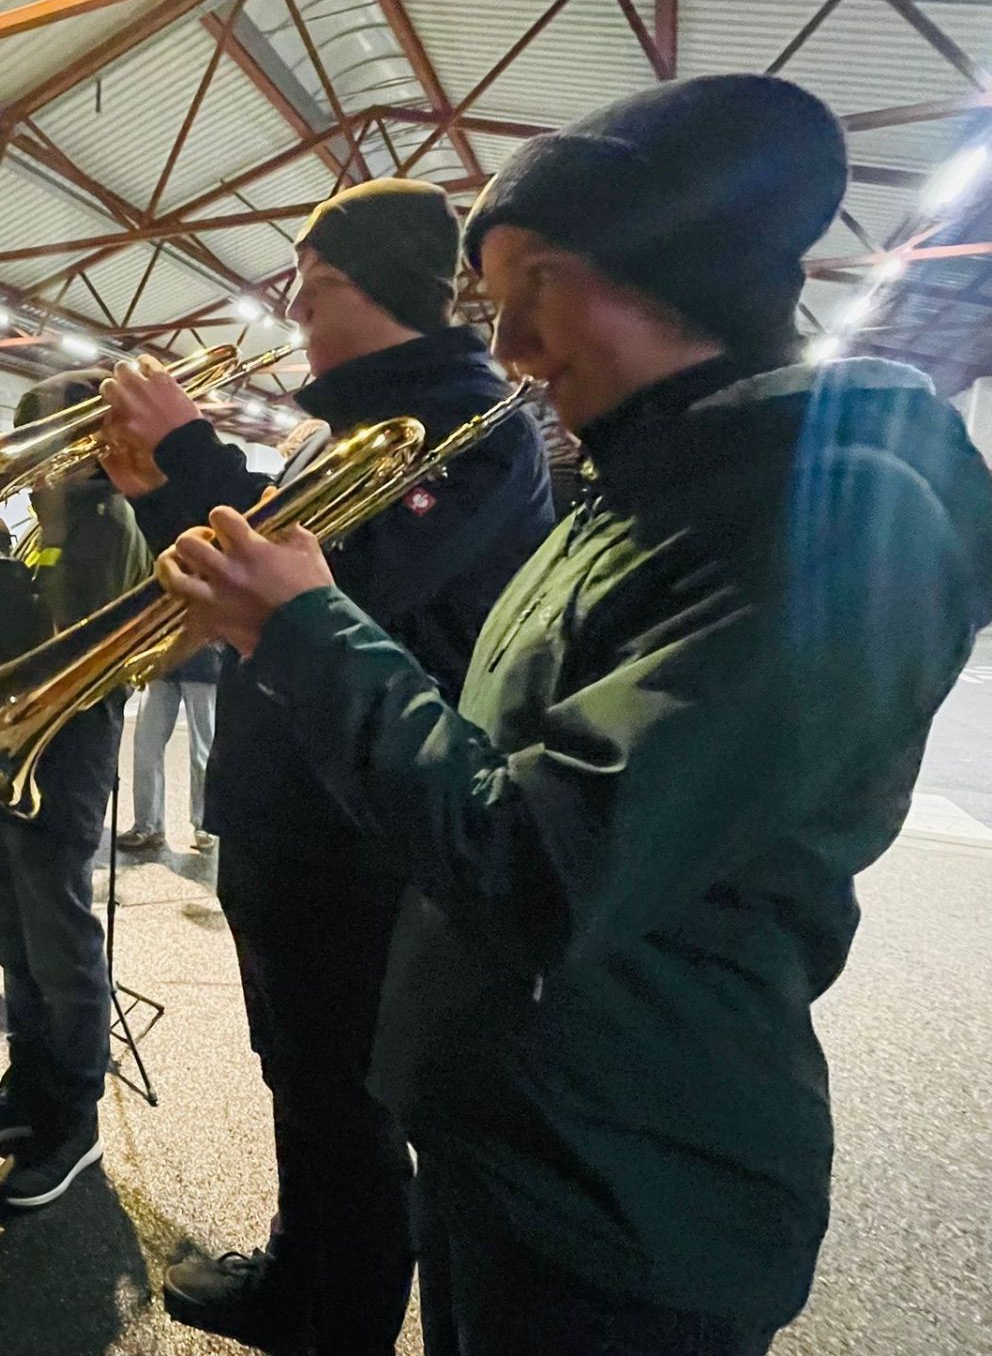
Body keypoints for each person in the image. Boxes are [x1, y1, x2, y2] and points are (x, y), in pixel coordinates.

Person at [154, 74, 992, 1356]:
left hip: (627, 1188)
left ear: (664, 265)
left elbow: (543, 865)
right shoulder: (636, 490)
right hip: (516, 1131)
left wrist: (306, 633)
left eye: (530, 289)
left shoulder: (827, 532)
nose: (509, 347)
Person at [100, 177, 553, 1353]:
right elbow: (232, 582)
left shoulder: (472, 425)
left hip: (360, 824)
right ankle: (302, 1275)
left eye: (313, 287)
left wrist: (189, 449)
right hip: (289, 800)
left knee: (348, 1094)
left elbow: (346, 589)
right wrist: (159, 495)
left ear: (379, 285)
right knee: (298, 1074)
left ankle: (339, 1319)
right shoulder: (336, 431)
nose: (294, 311)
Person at [0, 368, 151, 1210]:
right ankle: (29, 1088)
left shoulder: (108, 521)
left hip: (60, 762)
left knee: (58, 946)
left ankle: (72, 1121)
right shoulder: (37, 525)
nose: (19, 457)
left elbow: (58, 644)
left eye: (36, 436)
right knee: (13, 939)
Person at [115, 643, 219, 854]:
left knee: (202, 753)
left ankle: (205, 825)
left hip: (203, 662)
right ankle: (148, 826)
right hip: (161, 665)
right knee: (146, 747)